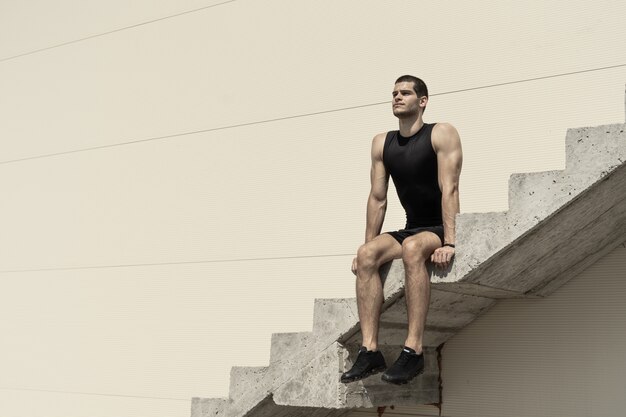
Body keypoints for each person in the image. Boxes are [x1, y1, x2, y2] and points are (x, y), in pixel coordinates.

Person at [340, 75, 462, 385]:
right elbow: (378, 198)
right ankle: (370, 352)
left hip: (436, 226)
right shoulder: (382, 142)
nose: (397, 97)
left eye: (405, 93)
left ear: (422, 101)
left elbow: (450, 188)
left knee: (412, 249)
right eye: (394, 93)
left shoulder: (441, 134)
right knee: (367, 253)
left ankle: (413, 351)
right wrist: (368, 248)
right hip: (412, 227)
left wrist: (449, 241)